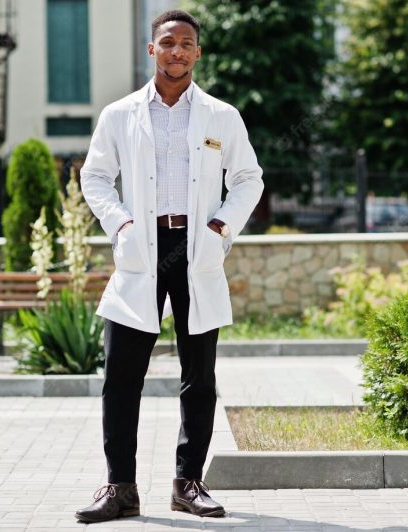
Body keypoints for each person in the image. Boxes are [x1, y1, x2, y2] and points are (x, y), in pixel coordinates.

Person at [75, 9, 264, 524]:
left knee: (198, 376)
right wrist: (121, 227)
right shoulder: (119, 115)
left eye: (186, 43)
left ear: (197, 53)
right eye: (167, 42)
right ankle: (119, 488)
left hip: (196, 247)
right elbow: (95, 178)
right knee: (121, 374)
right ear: (151, 49)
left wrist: (221, 227)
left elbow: (249, 178)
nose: (177, 51)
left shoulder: (222, 116)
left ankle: (188, 484)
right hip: (141, 249)